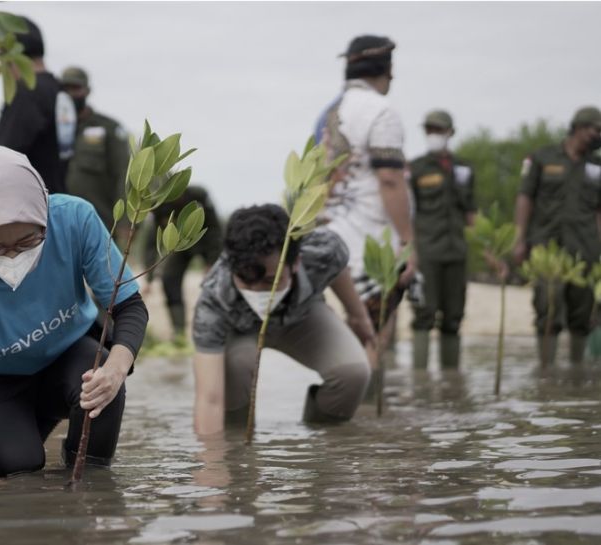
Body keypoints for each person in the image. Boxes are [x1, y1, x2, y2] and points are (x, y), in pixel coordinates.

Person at [0, 146, 148, 481]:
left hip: (70, 357)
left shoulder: (75, 220)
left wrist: (117, 370)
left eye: (27, 240)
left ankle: (88, 483)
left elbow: (130, 307)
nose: (13, 256)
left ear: (44, 216)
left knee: (103, 381)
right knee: (19, 469)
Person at [191, 205, 375, 434]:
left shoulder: (322, 248)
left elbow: (337, 267)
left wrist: (359, 316)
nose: (259, 292)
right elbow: (209, 399)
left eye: (269, 281)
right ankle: (237, 446)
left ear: (296, 262)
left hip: (302, 315)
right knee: (237, 367)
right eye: (246, 281)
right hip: (239, 330)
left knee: (353, 374)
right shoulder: (213, 301)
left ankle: (324, 442)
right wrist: (212, 463)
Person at [316, 35, 416, 336]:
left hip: (328, 238)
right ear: (386, 69)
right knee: (374, 337)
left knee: (351, 333)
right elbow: (389, 179)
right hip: (370, 243)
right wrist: (407, 243)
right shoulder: (381, 111)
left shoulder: (327, 114)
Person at [513, 106, 601, 365]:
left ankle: (576, 374)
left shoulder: (597, 166)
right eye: (595, 130)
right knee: (547, 309)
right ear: (578, 128)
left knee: (582, 314)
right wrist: (519, 239)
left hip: (584, 248)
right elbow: (525, 197)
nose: (598, 136)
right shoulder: (542, 158)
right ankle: (546, 372)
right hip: (546, 250)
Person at [407, 110, 476, 370]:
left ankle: (452, 385)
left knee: (453, 318)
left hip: (457, 251)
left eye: (438, 130)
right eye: (429, 130)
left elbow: (471, 213)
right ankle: (420, 381)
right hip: (426, 252)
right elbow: (408, 213)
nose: (433, 135)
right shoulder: (415, 169)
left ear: (450, 132)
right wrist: (410, 251)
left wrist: (488, 249)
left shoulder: (465, 168)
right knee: (424, 314)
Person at [0, 17, 73, 194]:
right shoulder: (59, 91)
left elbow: (4, 159)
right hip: (57, 203)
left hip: (31, 209)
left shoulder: (28, 93)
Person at [143, 185, 223, 341]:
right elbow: (152, 242)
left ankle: (217, 331)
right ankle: (179, 333)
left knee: (216, 284)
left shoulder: (199, 195)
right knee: (169, 279)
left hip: (205, 241)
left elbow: (215, 231)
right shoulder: (160, 204)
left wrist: (211, 264)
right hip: (180, 245)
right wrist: (149, 277)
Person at [59, 66, 131, 230]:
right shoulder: (51, 129)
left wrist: (125, 223)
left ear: (87, 90)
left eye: (76, 88)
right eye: (65, 89)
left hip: (100, 223)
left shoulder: (109, 128)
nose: (70, 94)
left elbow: (123, 174)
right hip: (60, 223)